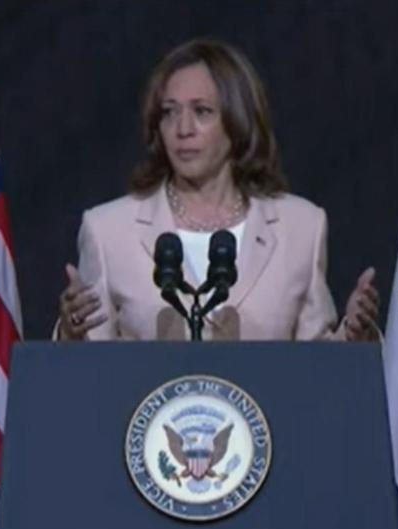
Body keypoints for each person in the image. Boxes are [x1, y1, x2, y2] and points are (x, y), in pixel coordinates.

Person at [56, 39, 379, 341]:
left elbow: (318, 367)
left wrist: (353, 335)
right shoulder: (108, 230)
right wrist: (72, 334)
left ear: (238, 121)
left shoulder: (301, 227)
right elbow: (90, 373)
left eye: (201, 111)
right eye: (169, 112)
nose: (183, 129)